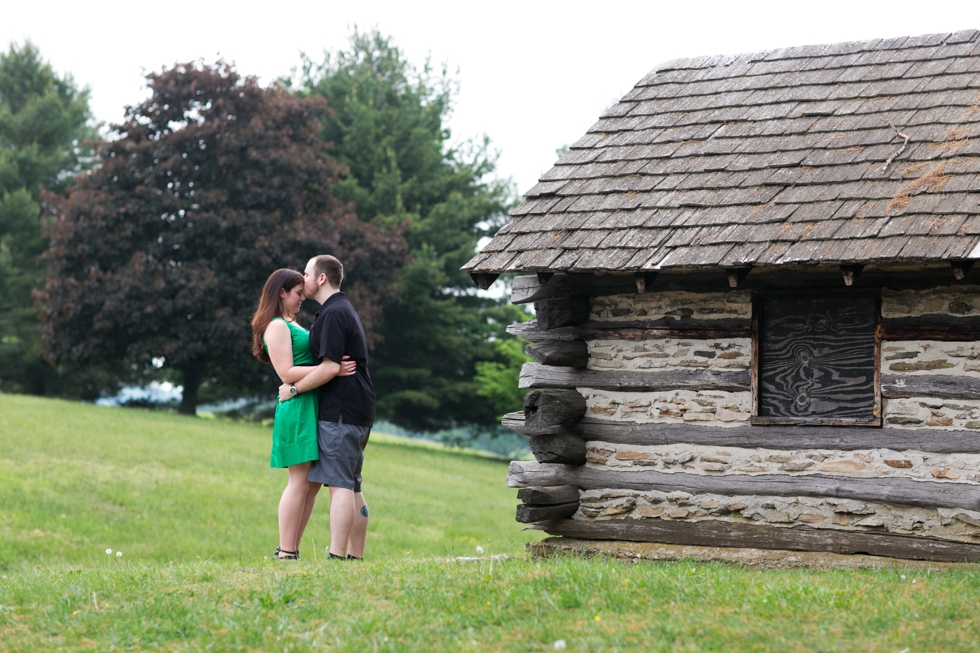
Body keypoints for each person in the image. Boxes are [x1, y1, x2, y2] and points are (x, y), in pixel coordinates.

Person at [251, 268, 356, 560]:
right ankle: (286, 552)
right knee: (299, 483)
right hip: (296, 409)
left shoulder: (290, 322)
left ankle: (291, 549)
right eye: (297, 293)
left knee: (311, 486)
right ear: (281, 292)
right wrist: (329, 368)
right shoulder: (275, 326)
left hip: (309, 404)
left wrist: (328, 369)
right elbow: (285, 372)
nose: (302, 298)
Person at [279, 254, 374, 560]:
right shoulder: (342, 309)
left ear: (321, 278)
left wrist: (293, 389)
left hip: (341, 411)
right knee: (352, 484)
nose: (302, 279)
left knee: (338, 485)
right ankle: (355, 558)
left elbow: (330, 367)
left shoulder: (333, 314)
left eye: (306, 273)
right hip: (359, 410)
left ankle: (337, 558)